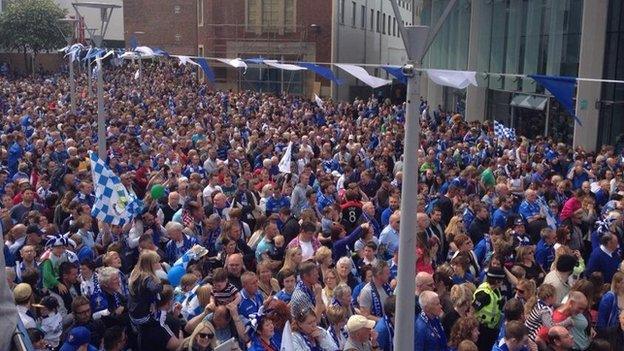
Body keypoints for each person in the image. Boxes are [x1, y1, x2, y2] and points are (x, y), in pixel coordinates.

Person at [473, 266, 506, 350]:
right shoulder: (484, 295)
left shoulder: (494, 290)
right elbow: (472, 310)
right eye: (501, 281)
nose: (502, 283)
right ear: (497, 281)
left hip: (491, 328)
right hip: (482, 329)